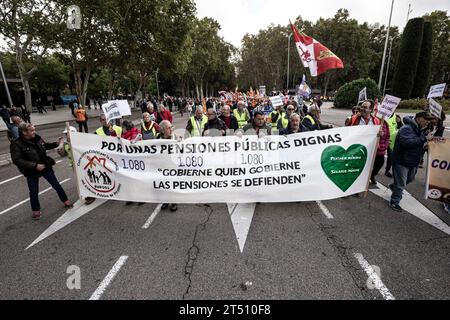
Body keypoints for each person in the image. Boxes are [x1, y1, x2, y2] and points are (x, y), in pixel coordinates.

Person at [10, 123, 73, 220]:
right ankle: (36, 210)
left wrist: (55, 143)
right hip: (31, 171)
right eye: (32, 130)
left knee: (56, 184)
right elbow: (17, 160)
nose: (34, 132)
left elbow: (45, 145)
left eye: (34, 130)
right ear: (24, 132)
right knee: (33, 191)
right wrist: (35, 166)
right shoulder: (17, 144)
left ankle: (65, 201)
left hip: (45, 166)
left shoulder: (37, 138)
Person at [389, 111, 435, 212]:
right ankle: (394, 201)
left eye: (429, 121)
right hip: (401, 160)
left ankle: (394, 186)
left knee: (409, 179)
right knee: (401, 184)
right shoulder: (407, 128)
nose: (428, 122)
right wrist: (424, 139)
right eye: (426, 120)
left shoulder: (418, 128)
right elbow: (407, 143)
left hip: (412, 160)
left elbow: (415, 144)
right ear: (419, 119)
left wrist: (425, 145)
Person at [57, 126, 95, 205]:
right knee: (81, 181)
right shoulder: (66, 144)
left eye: (68, 133)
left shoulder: (80, 142)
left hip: (82, 164)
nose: (66, 135)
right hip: (74, 165)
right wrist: (60, 146)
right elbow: (63, 154)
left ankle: (90, 195)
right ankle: (88, 194)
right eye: (66, 134)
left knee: (85, 179)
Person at [158, 120, 178, 212]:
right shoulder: (157, 139)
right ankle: (165, 201)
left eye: (171, 127)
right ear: (162, 130)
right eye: (168, 128)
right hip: (162, 165)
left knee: (172, 184)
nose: (171, 129)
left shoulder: (176, 138)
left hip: (173, 165)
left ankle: (174, 202)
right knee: (164, 184)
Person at [369, 117, 390, 185]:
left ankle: (372, 176)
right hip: (372, 149)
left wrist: (385, 146)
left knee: (380, 164)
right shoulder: (372, 122)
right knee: (368, 165)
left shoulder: (385, 124)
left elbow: (387, 136)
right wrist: (377, 135)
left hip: (381, 150)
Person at [385, 113, 403, 178]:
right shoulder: (383, 115)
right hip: (383, 140)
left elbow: (401, 127)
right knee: (378, 158)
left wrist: (399, 122)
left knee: (390, 157)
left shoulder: (396, 116)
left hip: (391, 141)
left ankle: (387, 171)